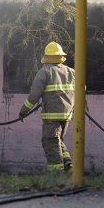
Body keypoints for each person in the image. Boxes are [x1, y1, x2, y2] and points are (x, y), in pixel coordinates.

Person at [18, 41, 75, 172]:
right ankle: (68, 164)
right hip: (67, 115)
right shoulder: (72, 72)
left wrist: (23, 112)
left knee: (50, 142)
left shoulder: (45, 71)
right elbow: (81, 88)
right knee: (58, 140)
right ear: (61, 56)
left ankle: (56, 173)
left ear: (47, 57)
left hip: (51, 116)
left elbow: (34, 96)